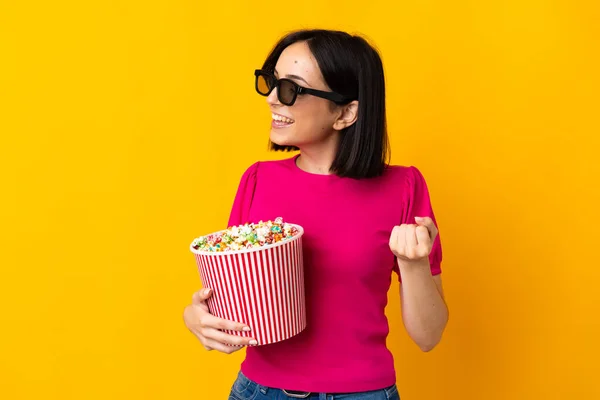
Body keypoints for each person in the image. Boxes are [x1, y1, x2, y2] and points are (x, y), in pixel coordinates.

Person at [183, 29, 449, 400]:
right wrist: (197, 316)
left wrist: (414, 264)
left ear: (345, 112)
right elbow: (236, 301)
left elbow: (428, 336)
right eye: (271, 82)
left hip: (363, 393)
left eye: (292, 88)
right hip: (259, 391)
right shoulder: (258, 180)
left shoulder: (403, 187)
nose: (273, 99)